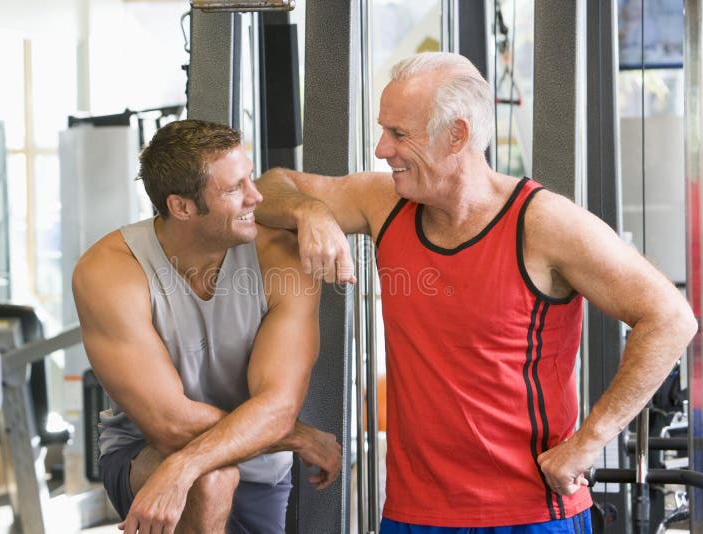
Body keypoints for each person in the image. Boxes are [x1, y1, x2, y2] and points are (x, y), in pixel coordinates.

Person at [254, 52, 698, 532]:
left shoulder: (544, 223)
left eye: (399, 134)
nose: (382, 149)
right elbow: (269, 188)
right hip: (412, 514)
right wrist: (309, 212)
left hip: (528, 513)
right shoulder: (383, 202)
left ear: (457, 136)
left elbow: (671, 318)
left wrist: (592, 440)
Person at [72, 119, 342, 534]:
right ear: (181, 207)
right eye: (236, 189)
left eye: (250, 178)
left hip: (256, 467)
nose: (256, 197)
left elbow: (278, 407)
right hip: (144, 454)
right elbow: (170, 425)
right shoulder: (109, 270)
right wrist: (297, 436)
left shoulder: (281, 260)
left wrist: (184, 465)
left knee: (206, 472)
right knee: (213, 478)